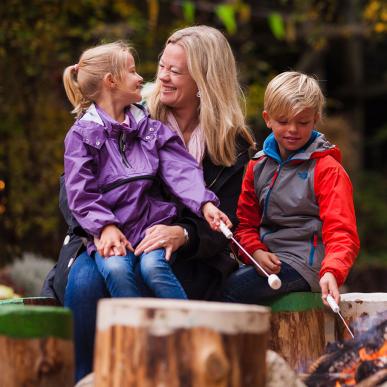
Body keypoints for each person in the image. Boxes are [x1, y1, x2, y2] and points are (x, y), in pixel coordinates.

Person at [41, 26, 255, 382]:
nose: (161, 76)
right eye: (161, 65)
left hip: (185, 256)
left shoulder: (232, 145)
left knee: (148, 273)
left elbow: (227, 223)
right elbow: (73, 188)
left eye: (175, 71)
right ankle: (86, 377)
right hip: (108, 234)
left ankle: (170, 362)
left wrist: (184, 233)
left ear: (204, 79)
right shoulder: (131, 111)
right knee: (86, 283)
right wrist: (102, 227)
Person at [62, 41, 231, 301]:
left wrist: (205, 204)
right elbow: (79, 190)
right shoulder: (83, 135)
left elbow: (181, 170)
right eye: (132, 71)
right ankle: (134, 329)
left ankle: (189, 325)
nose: (142, 77)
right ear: (111, 81)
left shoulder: (148, 128)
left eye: (173, 70)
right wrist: (104, 226)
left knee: (154, 268)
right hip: (112, 230)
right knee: (115, 270)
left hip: (149, 227)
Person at [221, 71, 360, 307]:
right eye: (283, 121)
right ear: (268, 118)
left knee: (230, 292)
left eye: (303, 122)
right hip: (265, 260)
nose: (293, 129)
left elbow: (341, 232)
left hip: (307, 265)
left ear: (315, 118)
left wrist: (332, 271)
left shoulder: (327, 169)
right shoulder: (257, 165)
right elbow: (244, 224)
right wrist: (254, 252)